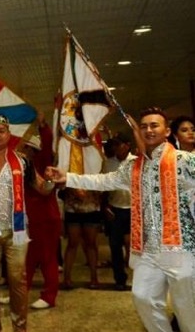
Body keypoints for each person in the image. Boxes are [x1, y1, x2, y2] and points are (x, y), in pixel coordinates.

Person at [47, 107, 195, 332]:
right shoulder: (134, 165)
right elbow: (104, 181)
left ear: (167, 131)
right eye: (144, 126)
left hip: (180, 248)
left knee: (187, 310)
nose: (148, 130)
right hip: (148, 249)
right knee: (142, 297)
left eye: (154, 125)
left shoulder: (184, 161)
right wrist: (67, 177)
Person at [0, 114, 53, 332]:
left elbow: (43, 188)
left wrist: (53, 178)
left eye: (1, 131)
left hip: (17, 232)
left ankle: (20, 328)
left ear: (8, 134)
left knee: (17, 281)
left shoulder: (23, 161)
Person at [23, 114, 60, 310]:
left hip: (46, 219)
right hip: (33, 220)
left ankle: (49, 296)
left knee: (47, 258)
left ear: (31, 149)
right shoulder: (25, 166)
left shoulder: (41, 162)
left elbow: (47, 146)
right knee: (28, 259)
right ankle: (21, 292)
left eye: (24, 148)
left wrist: (44, 125)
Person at [101, 133, 135, 290]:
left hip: (133, 209)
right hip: (115, 209)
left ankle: (138, 279)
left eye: (119, 144)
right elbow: (103, 187)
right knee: (115, 246)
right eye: (114, 145)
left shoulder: (136, 162)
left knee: (134, 246)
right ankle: (119, 279)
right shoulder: (108, 164)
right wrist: (105, 206)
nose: (116, 147)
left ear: (127, 145)